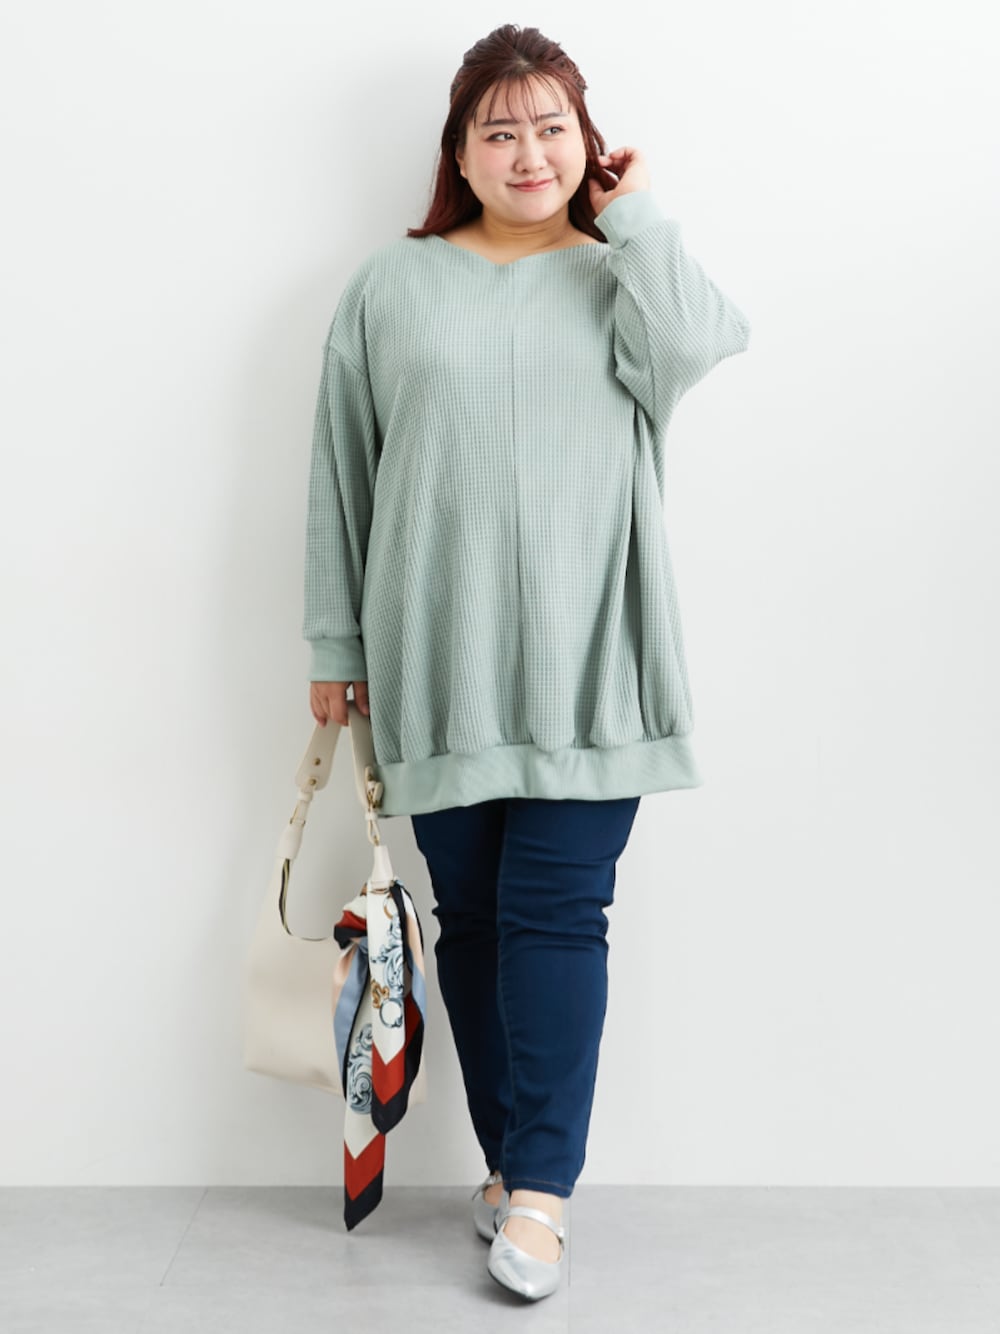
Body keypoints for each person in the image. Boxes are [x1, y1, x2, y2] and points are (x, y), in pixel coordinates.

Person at [303, 24, 750, 1301]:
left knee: (558, 914)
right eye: (498, 131)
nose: (527, 152)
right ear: (459, 153)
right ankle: (512, 1164)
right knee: (476, 923)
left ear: (586, 143)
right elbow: (340, 474)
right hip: (435, 662)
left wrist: (638, 214)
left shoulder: (622, 281)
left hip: (588, 663)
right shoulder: (390, 288)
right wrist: (334, 644)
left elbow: (704, 339)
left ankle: (543, 1192)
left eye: (551, 126)